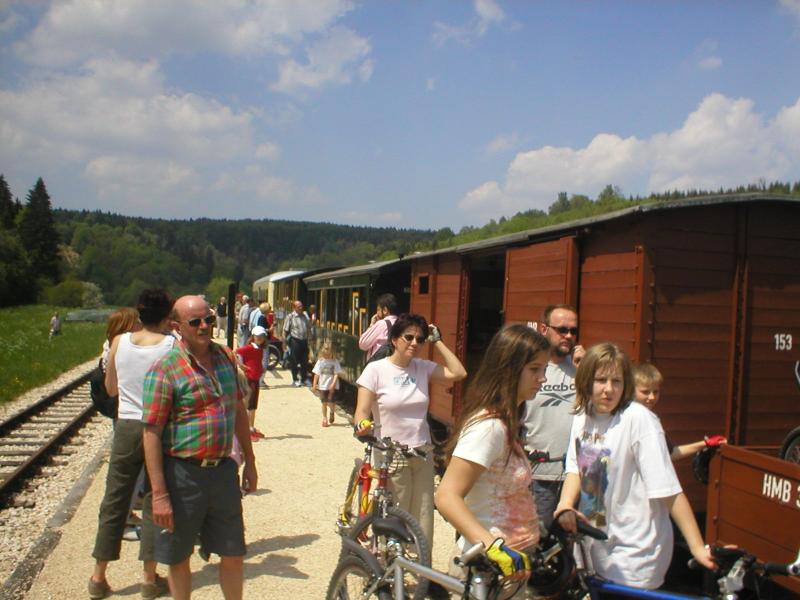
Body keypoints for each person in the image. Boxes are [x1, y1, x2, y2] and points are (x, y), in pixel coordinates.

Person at [554, 342, 714, 590]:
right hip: (594, 546)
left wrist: (697, 547)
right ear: (585, 380)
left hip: (635, 551)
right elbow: (576, 468)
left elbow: (669, 490)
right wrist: (565, 504)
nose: (609, 389)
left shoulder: (639, 419)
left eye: (616, 381)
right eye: (601, 380)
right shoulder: (583, 414)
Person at [142, 295, 257, 600]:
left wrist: (251, 461)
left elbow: (238, 410)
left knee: (233, 552)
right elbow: (151, 433)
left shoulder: (226, 358)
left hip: (223, 471)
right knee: (179, 556)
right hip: (183, 474)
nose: (204, 326)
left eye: (208, 319)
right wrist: (159, 494)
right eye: (195, 322)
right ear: (176, 326)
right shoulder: (164, 369)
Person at [435, 325, 550, 590]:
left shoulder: (508, 422)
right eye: (535, 369)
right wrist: (492, 546)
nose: (542, 378)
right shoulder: (488, 427)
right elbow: (446, 496)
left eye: (544, 369)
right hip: (487, 572)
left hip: (511, 568)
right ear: (509, 369)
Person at [88, 290, 175, 600]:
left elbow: (111, 388)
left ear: (140, 314)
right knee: (155, 497)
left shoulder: (119, 342)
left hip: (126, 424)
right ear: (167, 316)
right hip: (159, 427)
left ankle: (98, 577)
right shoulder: (172, 346)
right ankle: (149, 579)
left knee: (115, 497)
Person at [354, 313, 467, 548]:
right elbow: (361, 412)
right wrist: (362, 425)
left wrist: (438, 341)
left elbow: (459, 373)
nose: (415, 343)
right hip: (391, 453)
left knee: (424, 516)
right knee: (397, 512)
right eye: (409, 337)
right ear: (394, 339)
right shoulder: (375, 370)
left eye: (420, 339)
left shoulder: (422, 368)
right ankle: (387, 562)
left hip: (422, 451)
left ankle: (421, 565)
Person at [521, 304, 585, 528]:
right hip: (539, 476)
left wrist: (586, 370)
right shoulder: (531, 368)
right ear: (543, 329)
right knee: (537, 537)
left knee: (573, 541)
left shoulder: (581, 367)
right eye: (562, 330)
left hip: (576, 476)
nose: (568, 336)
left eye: (573, 331)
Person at [633, 362, 727, 460]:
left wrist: (706, 443)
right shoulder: (629, 418)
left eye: (656, 392)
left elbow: (670, 453)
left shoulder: (652, 418)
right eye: (645, 392)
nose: (652, 397)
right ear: (632, 390)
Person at [236, 325, 268, 441]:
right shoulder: (249, 348)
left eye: (262, 336)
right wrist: (241, 365)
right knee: (249, 404)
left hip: (255, 379)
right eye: (258, 336)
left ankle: (251, 427)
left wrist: (260, 368)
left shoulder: (259, 349)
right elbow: (234, 352)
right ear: (253, 336)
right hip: (250, 379)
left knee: (253, 405)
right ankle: (247, 429)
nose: (260, 338)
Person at [358, 293, 399, 360]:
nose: (377, 313)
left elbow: (363, 344)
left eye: (378, 309)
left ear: (385, 310)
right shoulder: (400, 323)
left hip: (379, 363)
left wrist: (372, 325)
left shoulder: (382, 324)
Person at [312, 342, 343, 427]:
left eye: (328, 354)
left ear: (332, 353)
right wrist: (314, 385)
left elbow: (336, 374)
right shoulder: (320, 362)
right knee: (324, 403)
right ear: (322, 352)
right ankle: (324, 418)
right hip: (322, 386)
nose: (327, 356)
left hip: (332, 387)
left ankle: (332, 412)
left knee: (332, 402)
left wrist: (333, 384)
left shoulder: (335, 362)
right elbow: (316, 374)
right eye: (325, 354)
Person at [283, 300, 311, 387]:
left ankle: (304, 379)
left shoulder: (305, 316)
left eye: (301, 306)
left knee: (305, 361)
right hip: (295, 341)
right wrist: (284, 342)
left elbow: (308, 328)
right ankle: (295, 379)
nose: (301, 308)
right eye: (299, 306)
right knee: (294, 361)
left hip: (304, 341)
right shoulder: (290, 317)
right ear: (294, 308)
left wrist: (310, 339)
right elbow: (285, 330)